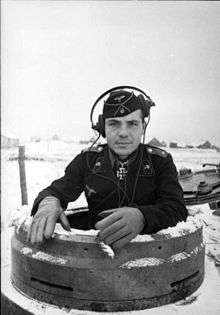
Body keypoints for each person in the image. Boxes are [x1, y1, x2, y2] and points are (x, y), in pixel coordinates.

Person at [28, 86, 188, 249]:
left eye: (132, 123)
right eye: (114, 124)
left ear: (143, 127)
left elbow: (177, 209)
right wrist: (49, 202)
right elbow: (57, 190)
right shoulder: (88, 160)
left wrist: (143, 217)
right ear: (103, 128)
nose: (123, 133)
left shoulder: (160, 161)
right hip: (97, 249)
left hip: (149, 250)